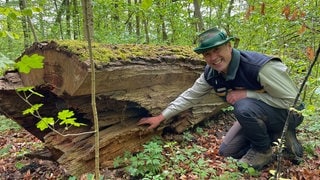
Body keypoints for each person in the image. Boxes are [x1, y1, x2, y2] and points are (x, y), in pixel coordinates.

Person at [137, 27, 304, 170]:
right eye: (207, 54)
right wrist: (161, 117)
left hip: (288, 114)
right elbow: (190, 96)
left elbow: (294, 102)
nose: (213, 57)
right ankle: (274, 134)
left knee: (243, 106)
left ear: (229, 46)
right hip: (257, 115)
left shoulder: (259, 67)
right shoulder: (211, 74)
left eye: (217, 50)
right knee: (227, 151)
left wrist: (248, 94)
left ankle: (264, 150)